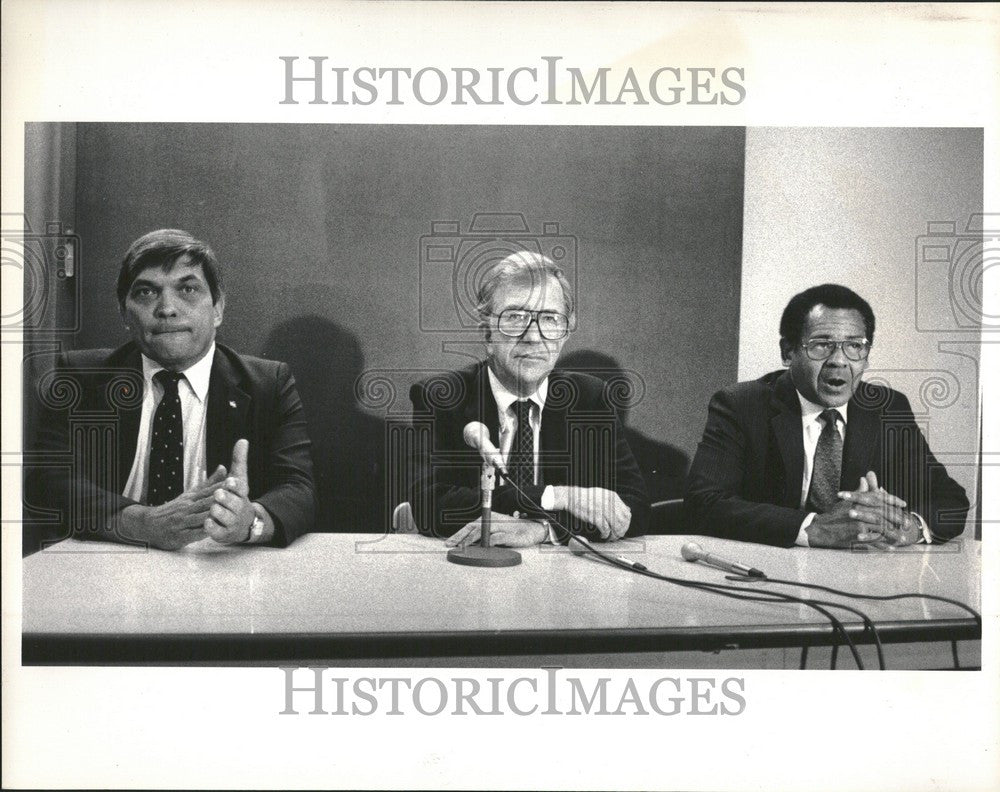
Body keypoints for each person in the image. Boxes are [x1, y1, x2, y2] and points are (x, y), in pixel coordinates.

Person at [26, 229, 315, 551]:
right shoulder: (82, 377)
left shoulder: (268, 383)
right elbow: (48, 481)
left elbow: (297, 488)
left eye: (188, 289)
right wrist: (141, 523)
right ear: (124, 312)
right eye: (147, 293)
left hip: (219, 563)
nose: (167, 308)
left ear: (217, 308)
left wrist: (249, 522)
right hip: (116, 555)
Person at [684, 283, 969, 548]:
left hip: (858, 575)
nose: (839, 360)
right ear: (788, 352)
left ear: (866, 355)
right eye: (821, 344)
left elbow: (950, 500)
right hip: (771, 568)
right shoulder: (742, 404)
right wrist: (811, 527)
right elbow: (704, 502)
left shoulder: (887, 408)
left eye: (855, 346)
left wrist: (909, 526)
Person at [409, 251, 649, 546]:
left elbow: (632, 507)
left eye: (549, 319)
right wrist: (557, 496)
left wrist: (544, 530)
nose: (533, 337)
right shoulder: (442, 397)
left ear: (564, 334)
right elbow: (429, 504)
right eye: (515, 317)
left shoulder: (589, 398)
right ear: (487, 333)